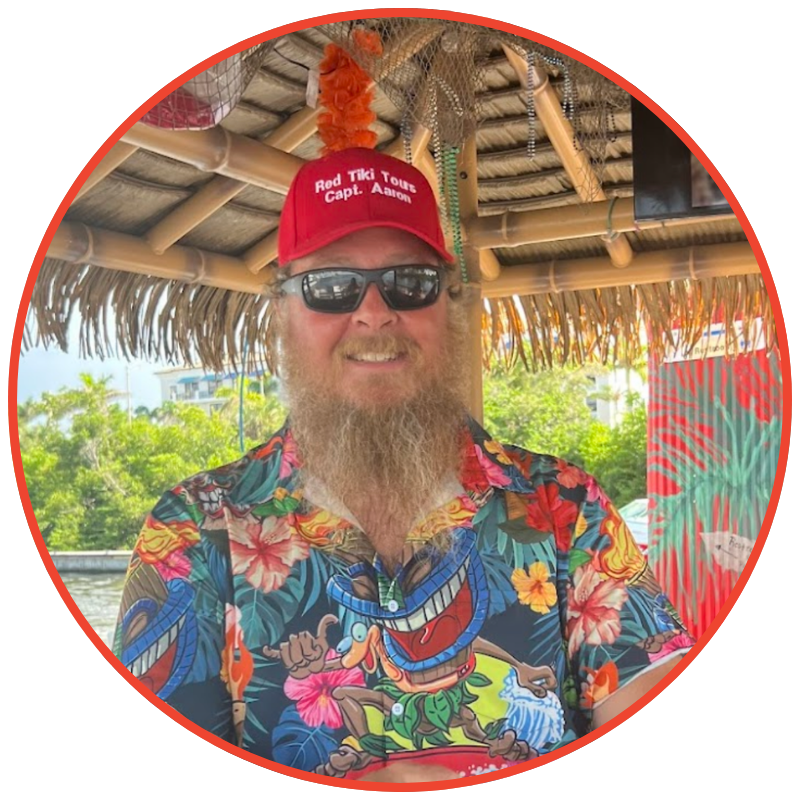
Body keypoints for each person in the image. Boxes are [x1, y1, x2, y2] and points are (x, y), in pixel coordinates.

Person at [113, 147, 694, 782]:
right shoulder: (194, 531)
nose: (373, 312)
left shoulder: (565, 506)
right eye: (330, 286)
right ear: (282, 310)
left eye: (408, 282)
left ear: (448, 305)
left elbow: (641, 686)